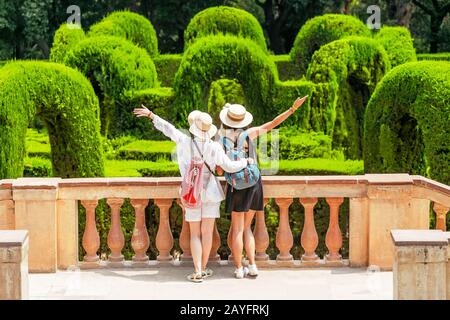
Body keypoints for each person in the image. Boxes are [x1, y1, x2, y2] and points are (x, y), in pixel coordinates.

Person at [133, 105, 253, 283]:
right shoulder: (215, 147)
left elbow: (169, 129)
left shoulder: (183, 141)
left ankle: (197, 270)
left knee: (195, 234)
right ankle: (203, 269)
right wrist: (246, 161)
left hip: (191, 193)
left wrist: (152, 115)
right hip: (211, 194)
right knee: (206, 233)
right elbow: (229, 166)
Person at [218, 96, 308, 279]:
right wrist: (292, 109)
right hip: (253, 184)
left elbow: (219, 169)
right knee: (247, 228)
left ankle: (238, 269)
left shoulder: (221, 141)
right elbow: (273, 123)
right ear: (243, 119)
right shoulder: (248, 134)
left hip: (236, 186)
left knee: (236, 229)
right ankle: (252, 265)